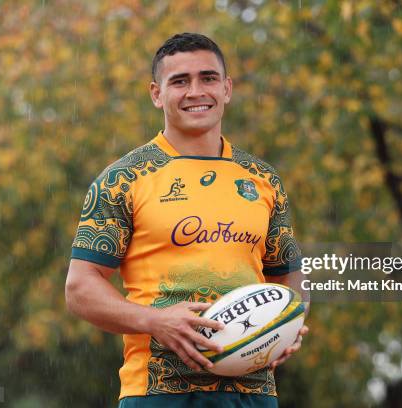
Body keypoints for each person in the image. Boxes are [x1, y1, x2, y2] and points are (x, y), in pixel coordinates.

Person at [65, 32, 309, 408]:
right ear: (156, 94)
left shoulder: (264, 179)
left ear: (227, 88)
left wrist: (289, 322)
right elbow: (80, 289)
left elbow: (288, 275)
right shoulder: (123, 178)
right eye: (180, 81)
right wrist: (155, 321)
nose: (196, 91)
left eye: (208, 78)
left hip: (253, 393)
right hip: (158, 391)